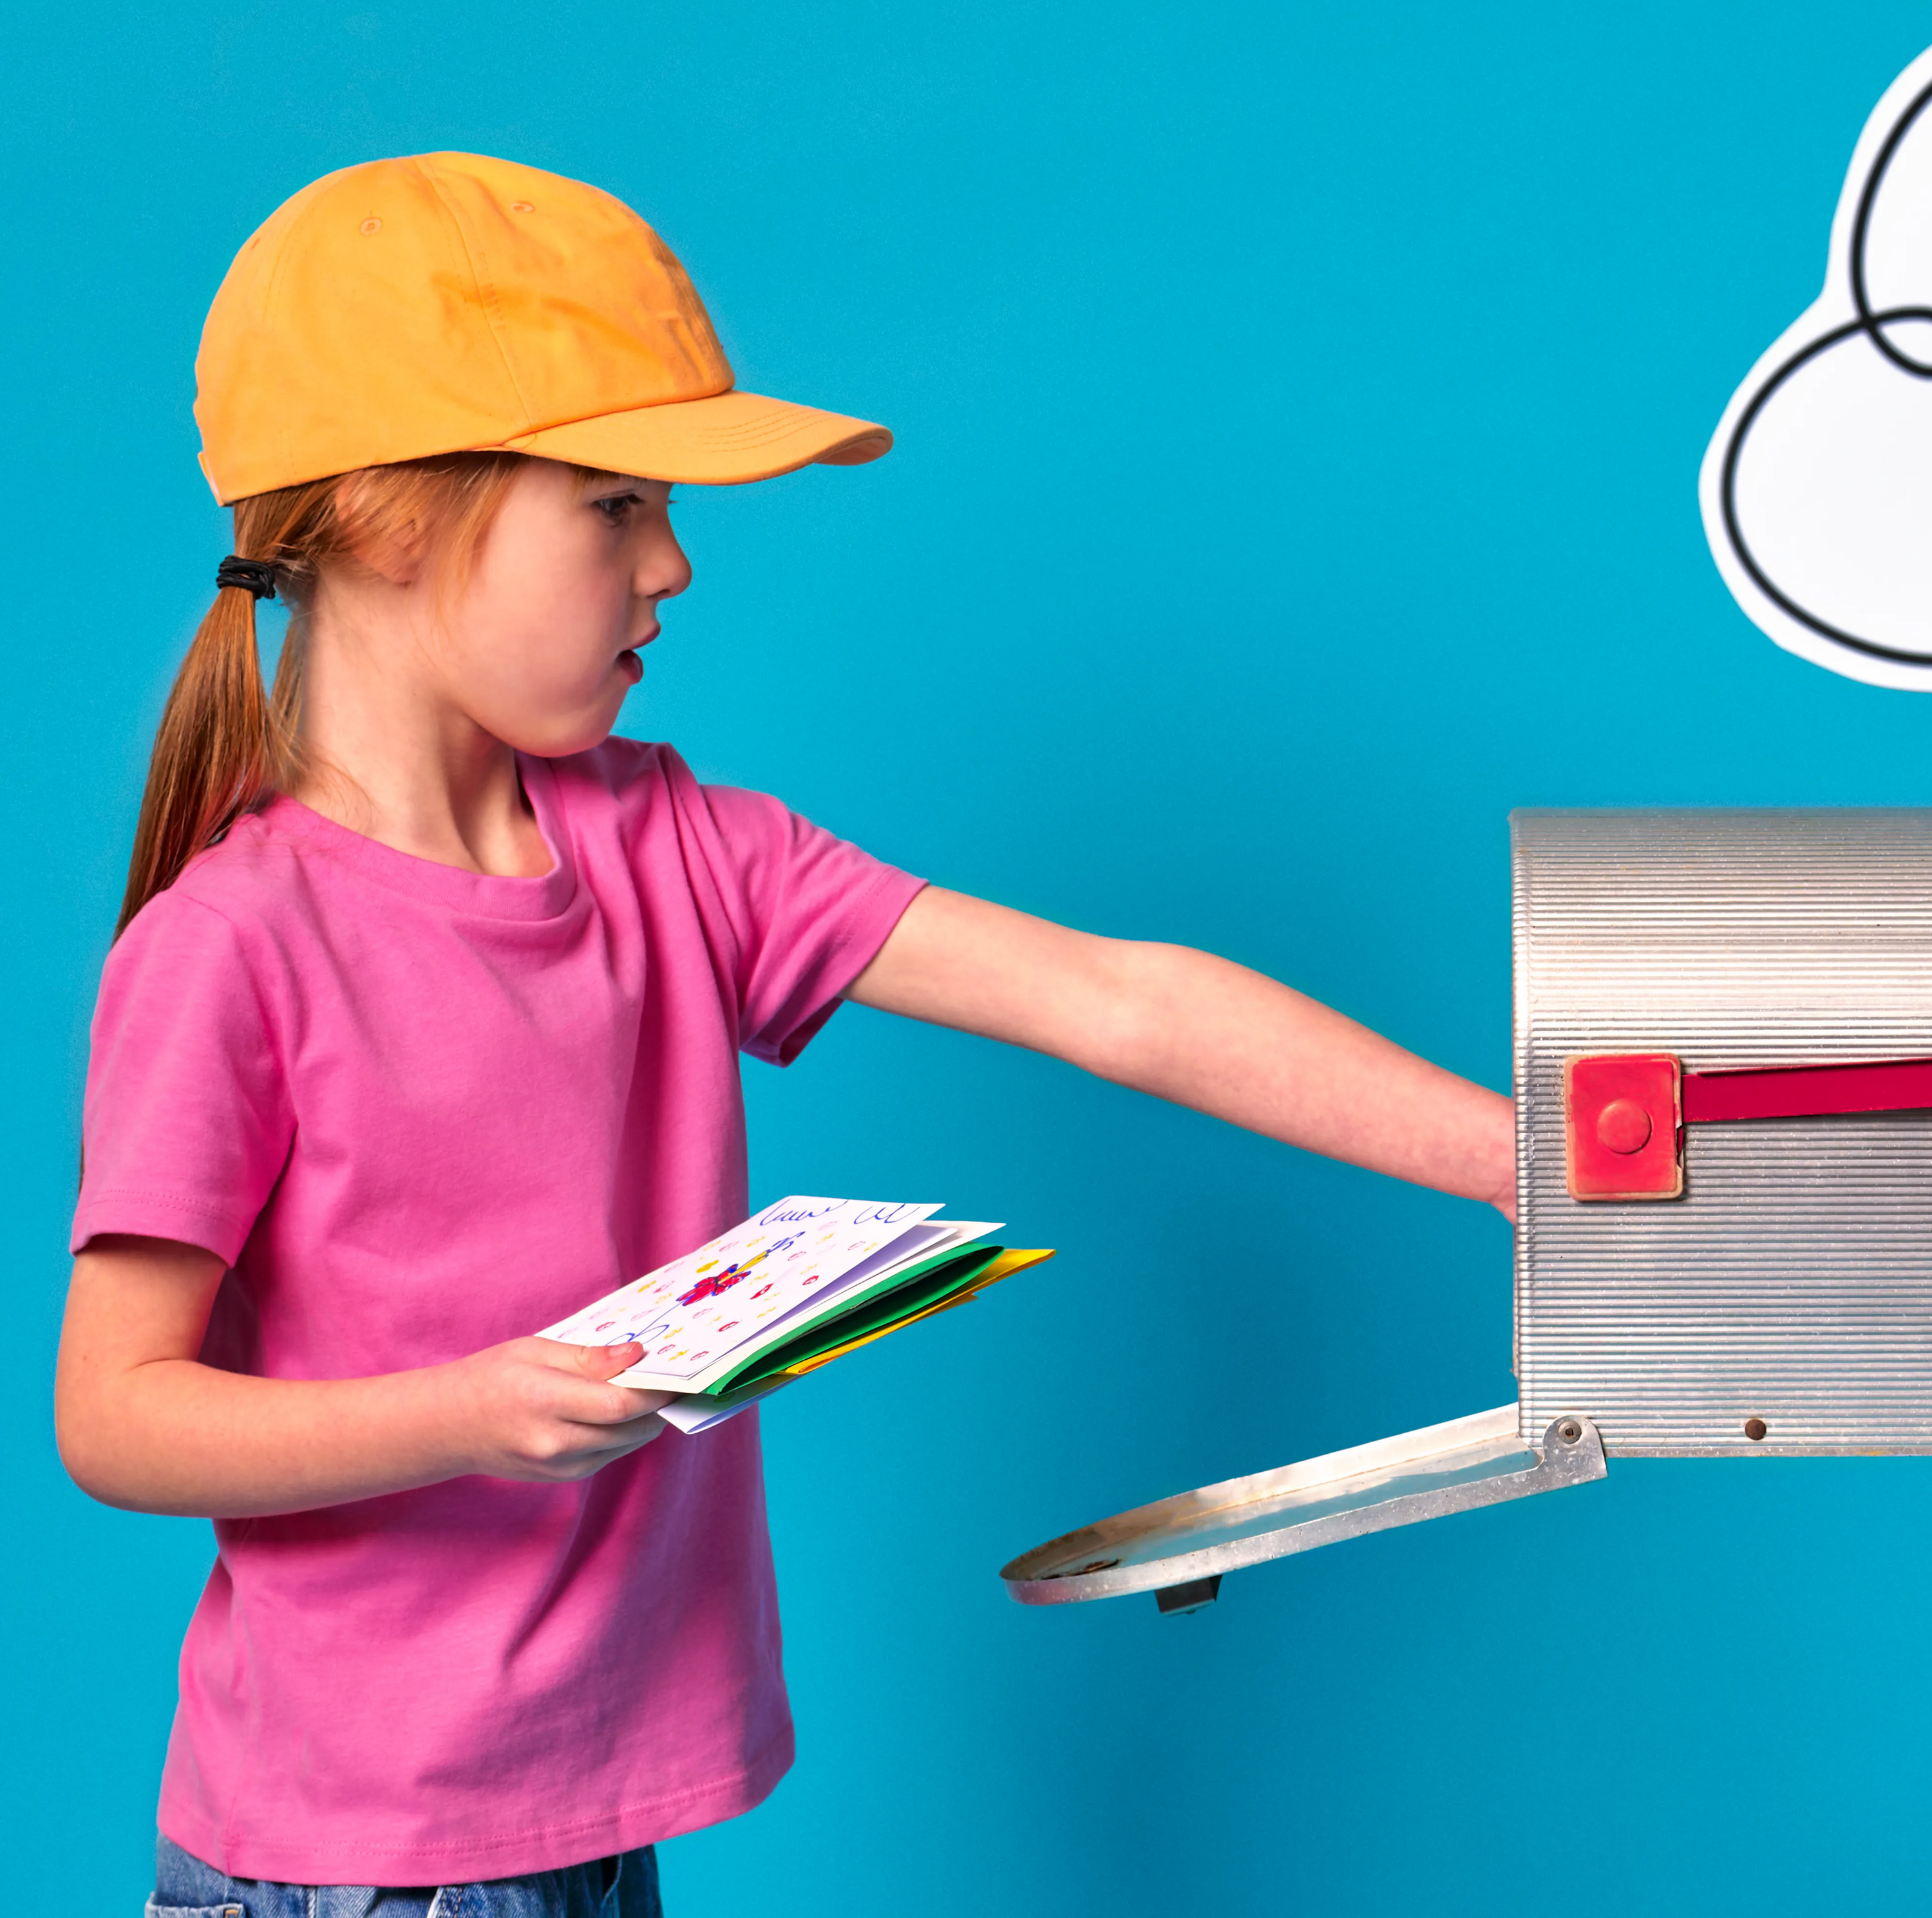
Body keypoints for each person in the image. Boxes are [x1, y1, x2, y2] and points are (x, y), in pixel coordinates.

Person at [53, 153, 1513, 1918]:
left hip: (588, 1828)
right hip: (358, 1870)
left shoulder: (675, 847)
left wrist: (1514, 1163)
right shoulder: (234, 946)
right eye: (613, 504)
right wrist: (473, 1411)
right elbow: (116, 1414)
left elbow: (1110, 995)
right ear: (383, 515)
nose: (670, 565)